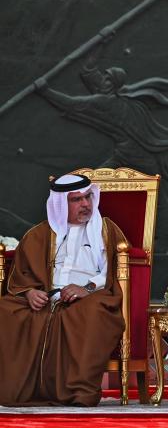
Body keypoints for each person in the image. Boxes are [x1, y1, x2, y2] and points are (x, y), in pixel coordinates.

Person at [0, 174, 126, 406]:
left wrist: (86, 288)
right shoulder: (38, 235)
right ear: (59, 204)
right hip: (47, 297)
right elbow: (22, 276)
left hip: (90, 296)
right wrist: (29, 292)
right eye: (76, 200)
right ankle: (17, 390)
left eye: (88, 197)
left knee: (91, 312)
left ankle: (77, 393)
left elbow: (110, 274)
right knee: (6, 309)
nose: (86, 204)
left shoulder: (106, 231)